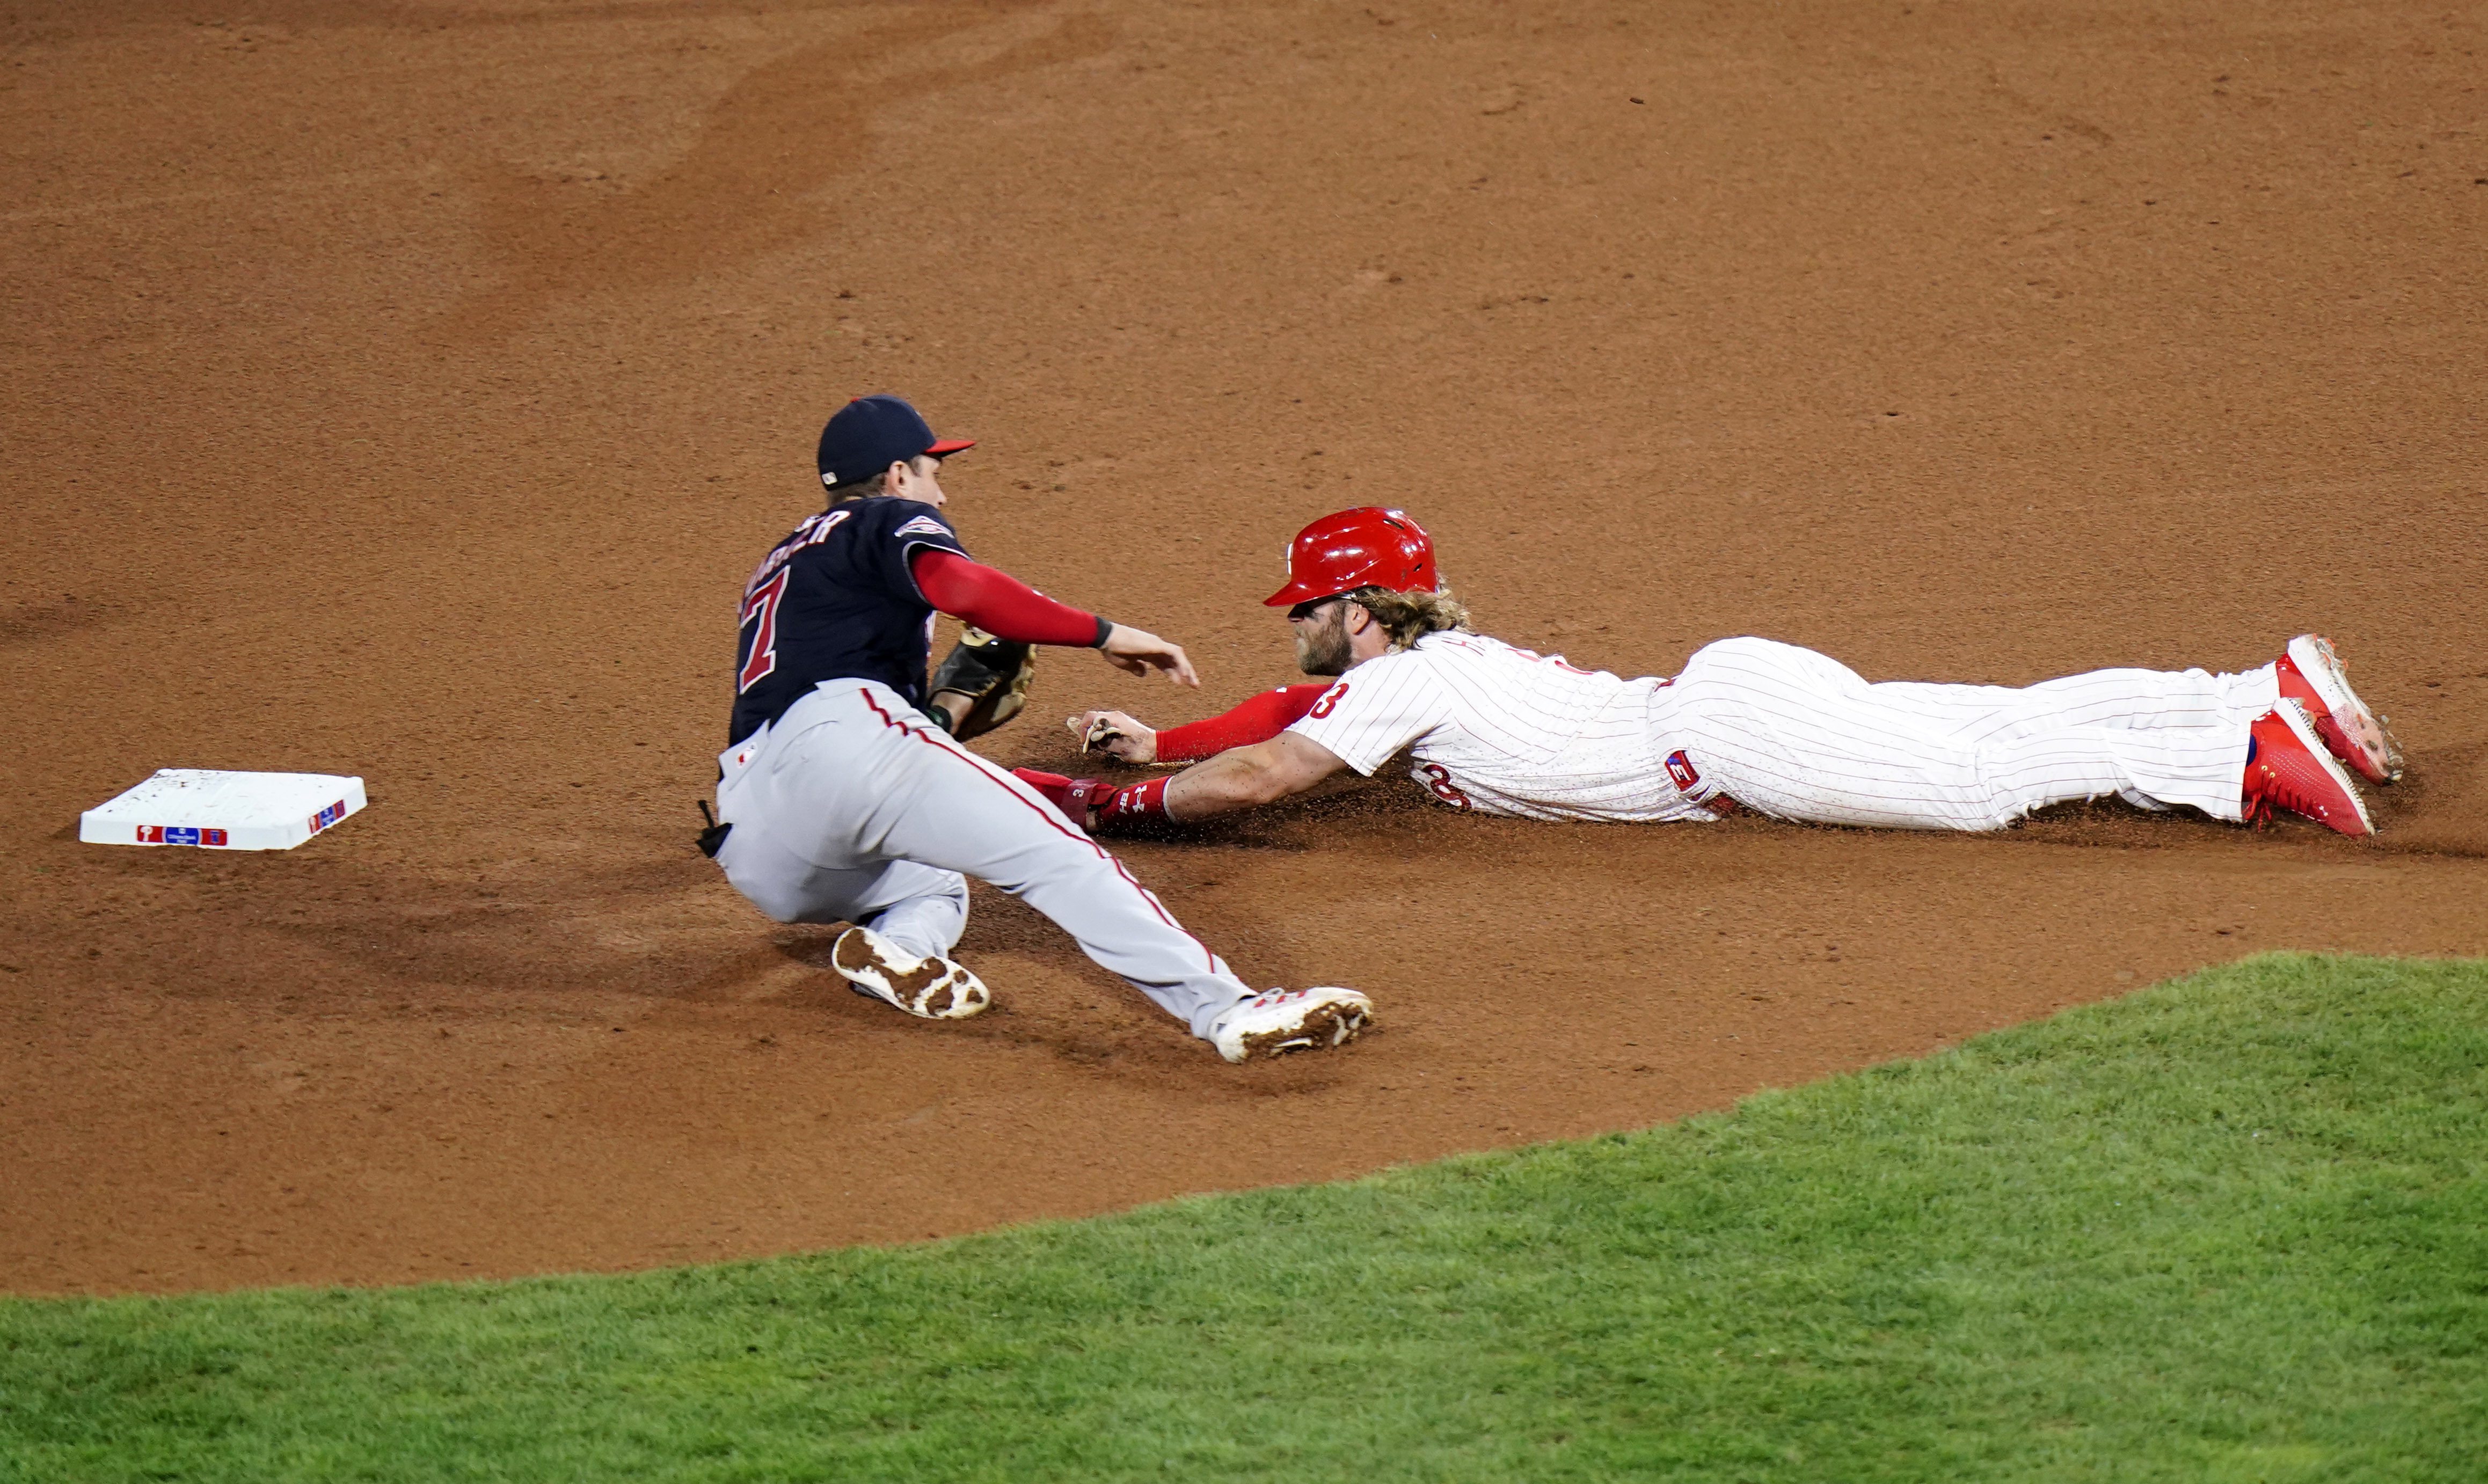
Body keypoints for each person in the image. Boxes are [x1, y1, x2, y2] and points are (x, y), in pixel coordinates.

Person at [1016, 506, 2400, 843]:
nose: (1298, 627)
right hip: (1727, 693)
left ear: (1358, 614)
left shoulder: (1394, 684)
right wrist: (1153, 742)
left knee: (1981, 777)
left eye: (1310, 608)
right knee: (1994, 715)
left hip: (1732, 739)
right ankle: (2254, 689)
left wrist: (1099, 808)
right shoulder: (1419, 669)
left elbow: (1268, 768)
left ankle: (2241, 754)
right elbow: (1262, 719)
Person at [702, 397, 1371, 1062]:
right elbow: (963, 590)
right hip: (846, 736)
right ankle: (1228, 1011)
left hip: (758, 843)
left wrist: (942, 717)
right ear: (899, 475)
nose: (939, 492)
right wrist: (1106, 633)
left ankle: (901, 950)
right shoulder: (881, 516)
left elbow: (833, 755)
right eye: (934, 473)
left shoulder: (780, 564)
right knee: (1059, 854)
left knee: (932, 884)